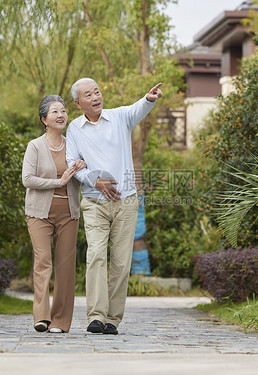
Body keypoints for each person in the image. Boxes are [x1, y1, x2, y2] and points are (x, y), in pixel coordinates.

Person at [66, 78, 162, 334]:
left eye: (97, 91)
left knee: (121, 262)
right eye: (89, 94)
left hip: (126, 201)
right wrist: (95, 181)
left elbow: (136, 109)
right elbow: (72, 164)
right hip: (95, 203)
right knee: (96, 255)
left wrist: (148, 99)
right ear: (78, 103)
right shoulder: (75, 129)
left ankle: (112, 320)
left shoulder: (119, 117)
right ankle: (96, 316)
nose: (96, 96)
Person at [22, 95, 86, 333]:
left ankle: (60, 321)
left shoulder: (75, 145)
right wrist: (58, 181)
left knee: (66, 266)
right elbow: (27, 179)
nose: (61, 115)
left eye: (63, 111)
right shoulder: (35, 146)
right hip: (39, 213)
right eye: (55, 112)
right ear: (44, 119)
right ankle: (41, 317)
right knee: (43, 262)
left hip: (68, 212)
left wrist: (83, 165)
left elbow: (86, 174)